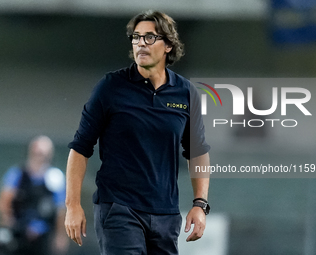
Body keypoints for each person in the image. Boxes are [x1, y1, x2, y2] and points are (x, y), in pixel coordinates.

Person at [64, 10, 211, 255]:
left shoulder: (185, 93)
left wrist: (200, 204)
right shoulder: (111, 87)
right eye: (136, 37)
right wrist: (72, 205)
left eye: (150, 37)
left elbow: (197, 152)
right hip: (119, 209)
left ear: (168, 46)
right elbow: (80, 148)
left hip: (166, 214)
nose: (141, 43)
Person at [0, 135, 69, 255]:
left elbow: (61, 209)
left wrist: (60, 235)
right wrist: (9, 223)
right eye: (38, 153)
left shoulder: (55, 178)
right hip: (19, 233)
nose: (40, 158)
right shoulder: (17, 175)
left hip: (44, 235)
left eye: (44, 154)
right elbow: (5, 200)